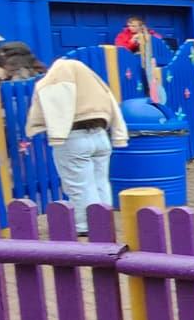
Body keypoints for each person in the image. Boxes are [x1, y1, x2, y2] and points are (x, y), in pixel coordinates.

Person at [25, 59, 129, 236]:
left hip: (73, 136)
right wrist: (119, 134)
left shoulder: (58, 75)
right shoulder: (92, 78)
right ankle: (104, 222)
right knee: (100, 182)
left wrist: (39, 128)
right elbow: (111, 102)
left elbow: (53, 101)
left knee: (79, 185)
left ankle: (85, 226)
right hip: (100, 135)